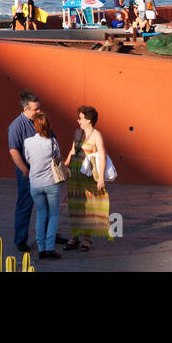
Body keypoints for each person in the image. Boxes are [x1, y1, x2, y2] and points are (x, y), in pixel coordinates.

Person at [63, 105, 111, 251]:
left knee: (89, 207)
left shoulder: (97, 136)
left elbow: (102, 156)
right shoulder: (78, 133)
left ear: (89, 120)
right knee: (75, 206)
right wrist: (65, 165)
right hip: (75, 175)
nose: (78, 121)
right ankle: (74, 237)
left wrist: (101, 178)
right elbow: (72, 150)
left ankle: (87, 239)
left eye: (81, 118)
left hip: (89, 178)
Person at [23, 110, 64, 260]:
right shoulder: (52, 142)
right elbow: (58, 158)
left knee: (41, 215)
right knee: (53, 215)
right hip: (51, 183)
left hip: (35, 183)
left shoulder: (28, 142)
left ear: (35, 126)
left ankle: (41, 248)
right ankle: (50, 248)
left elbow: (28, 159)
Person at [7, 91, 41, 253]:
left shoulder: (39, 122)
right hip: (28, 174)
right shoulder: (16, 126)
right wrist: (24, 170)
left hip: (43, 172)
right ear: (26, 109)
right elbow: (13, 151)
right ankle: (20, 240)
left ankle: (49, 235)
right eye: (35, 109)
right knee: (25, 206)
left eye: (39, 108)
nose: (39, 112)